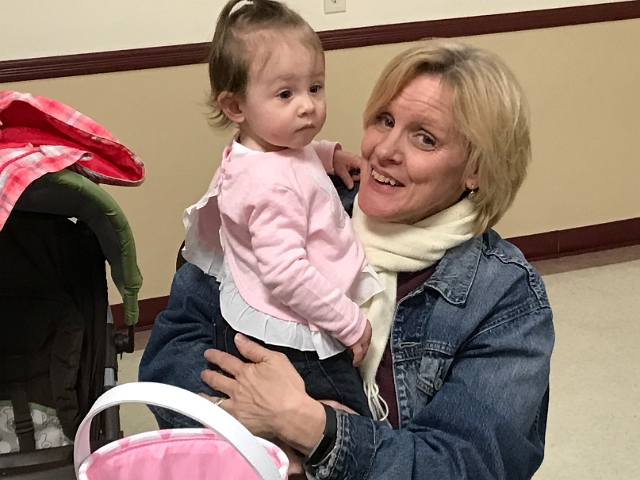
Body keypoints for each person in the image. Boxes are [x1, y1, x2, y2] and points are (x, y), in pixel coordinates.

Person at [140, 38, 554, 479]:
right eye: (385, 120)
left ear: (476, 170)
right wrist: (245, 426)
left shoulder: (505, 299)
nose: (384, 150)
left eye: (425, 138)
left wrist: (313, 426)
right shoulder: (290, 202)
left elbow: (464, 465)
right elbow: (173, 348)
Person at [176, 0, 385, 421]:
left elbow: (297, 156)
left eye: (315, 88)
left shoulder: (262, 148)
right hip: (295, 337)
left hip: (258, 309)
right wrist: (349, 323)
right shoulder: (272, 188)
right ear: (236, 107)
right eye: (286, 94)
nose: (307, 105)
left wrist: (329, 155)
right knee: (353, 422)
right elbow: (286, 272)